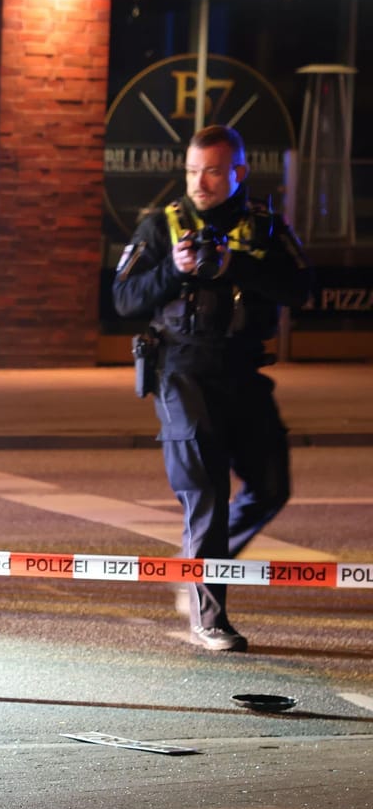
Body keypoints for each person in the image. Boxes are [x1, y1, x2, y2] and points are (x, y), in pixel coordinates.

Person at [112, 124, 310, 652]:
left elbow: (301, 288)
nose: (200, 181)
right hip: (180, 371)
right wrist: (176, 273)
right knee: (207, 494)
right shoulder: (162, 226)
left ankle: (195, 567)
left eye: (213, 171)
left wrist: (236, 264)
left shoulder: (266, 227)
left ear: (238, 173)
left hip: (243, 372)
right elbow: (125, 298)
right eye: (193, 171)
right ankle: (210, 617)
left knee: (271, 487)